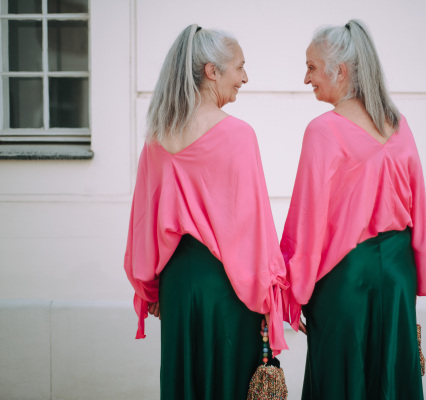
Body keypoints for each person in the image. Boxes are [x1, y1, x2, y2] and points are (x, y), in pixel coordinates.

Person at [280, 19, 426, 399]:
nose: (307, 79)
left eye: (311, 67)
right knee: (390, 380)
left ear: (339, 70)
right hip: (398, 275)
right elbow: (418, 205)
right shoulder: (398, 125)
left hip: (346, 281)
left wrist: (293, 290)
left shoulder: (323, 130)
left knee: (342, 380)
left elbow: (308, 222)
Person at [124, 24, 289, 400]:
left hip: (177, 284)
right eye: (239, 67)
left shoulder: (157, 138)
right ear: (212, 71)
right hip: (229, 285)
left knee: (185, 380)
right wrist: (269, 297)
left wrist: (152, 290)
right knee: (228, 377)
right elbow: (254, 228)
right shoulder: (238, 135)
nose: (245, 77)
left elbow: (142, 224)